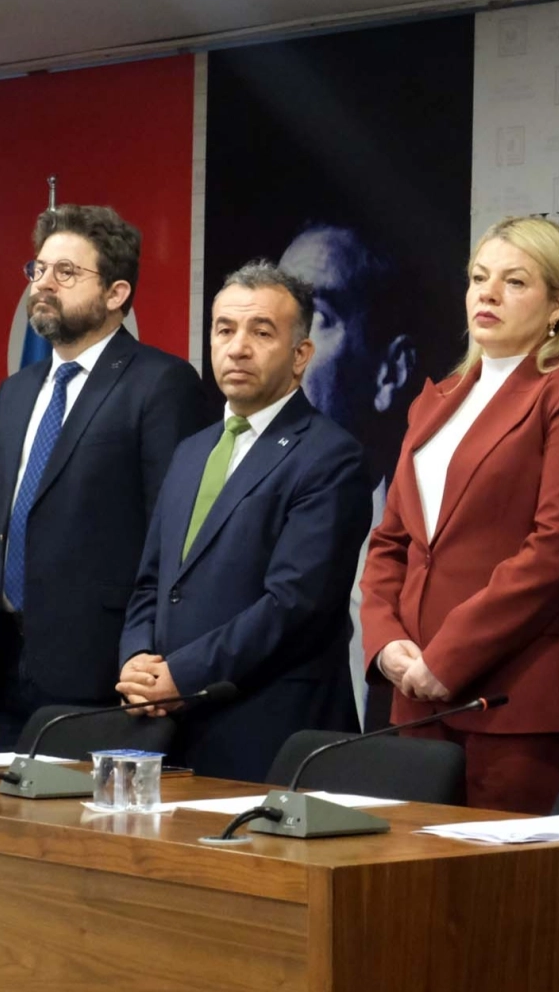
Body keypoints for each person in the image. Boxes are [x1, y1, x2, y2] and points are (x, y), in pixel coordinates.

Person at [360, 216, 559, 813]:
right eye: (479, 278)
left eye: (514, 281)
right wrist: (385, 641)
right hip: (417, 698)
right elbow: (392, 543)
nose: (488, 293)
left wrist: (450, 656)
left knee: (504, 875)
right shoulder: (435, 401)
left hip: (515, 707)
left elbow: (558, 548)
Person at [116, 263, 372, 781]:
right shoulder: (191, 451)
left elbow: (295, 604)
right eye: (225, 330)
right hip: (167, 728)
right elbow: (154, 580)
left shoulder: (330, 456)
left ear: (300, 355)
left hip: (269, 733)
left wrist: (182, 674)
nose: (237, 348)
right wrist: (137, 658)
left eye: (261, 332)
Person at [0, 205, 210, 748]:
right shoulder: (15, 392)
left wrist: (148, 654)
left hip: (104, 673)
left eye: (66, 272)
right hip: (6, 670)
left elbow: (173, 540)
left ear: (115, 293)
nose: (43, 283)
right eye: (38, 269)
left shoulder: (161, 384)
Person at [280, 224, 428, 727]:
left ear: (390, 373)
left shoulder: (428, 544)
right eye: (273, 320)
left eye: (315, 318)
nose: (280, 346)